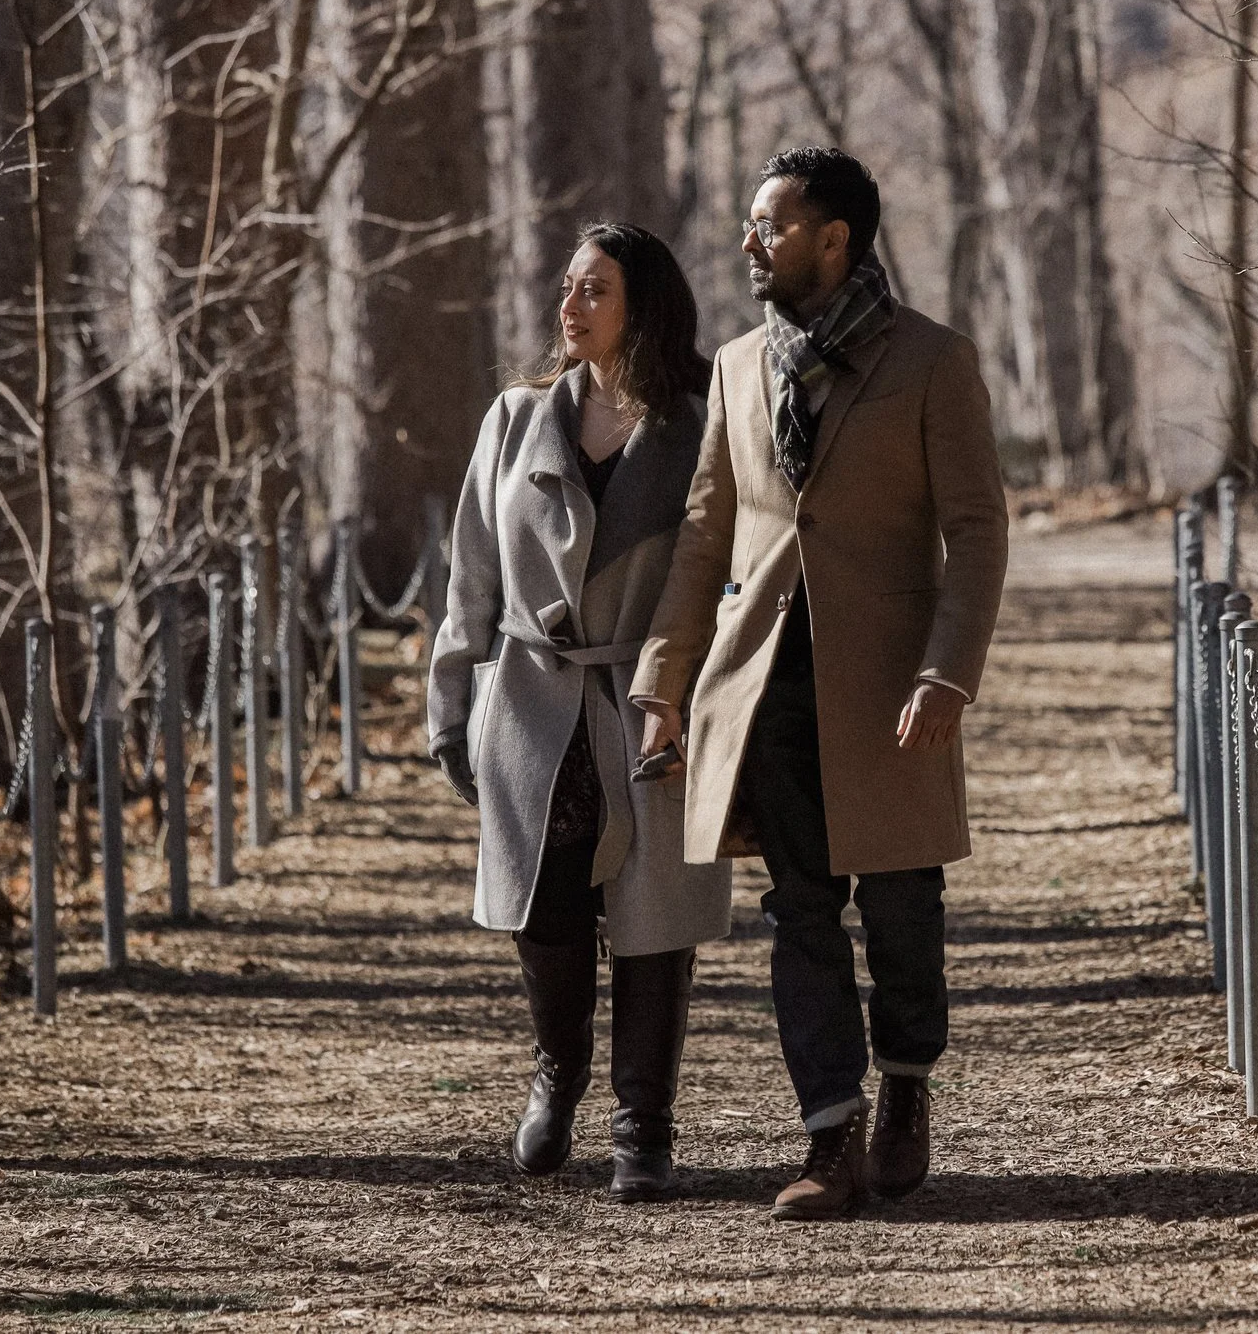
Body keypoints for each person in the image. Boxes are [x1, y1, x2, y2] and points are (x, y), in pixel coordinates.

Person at [633, 147, 1008, 1219]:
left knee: (900, 906)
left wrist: (949, 672)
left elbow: (977, 530)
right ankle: (826, 1133)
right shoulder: (739, 365)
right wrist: (665, 678)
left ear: (834, 237)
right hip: (761, 687)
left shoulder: (934, 361)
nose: (751, 239)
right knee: (798, 911)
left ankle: (904, 1088)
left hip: (893, 688)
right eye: (753, 223)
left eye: (774, 224)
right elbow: (705, 535)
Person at [425, 223, 732, 1202]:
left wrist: (702, 691)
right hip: (531, 699)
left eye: (595, 288)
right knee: (544, 907)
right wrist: (450, 695)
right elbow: (469, 569)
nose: (571, 305)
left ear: (641, 304)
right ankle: (558, 1071)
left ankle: (644, 1124)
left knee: (653, 918)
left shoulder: (696, 425)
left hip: (648, 700)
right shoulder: (515, 419)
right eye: (567, 286)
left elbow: (730, 568)